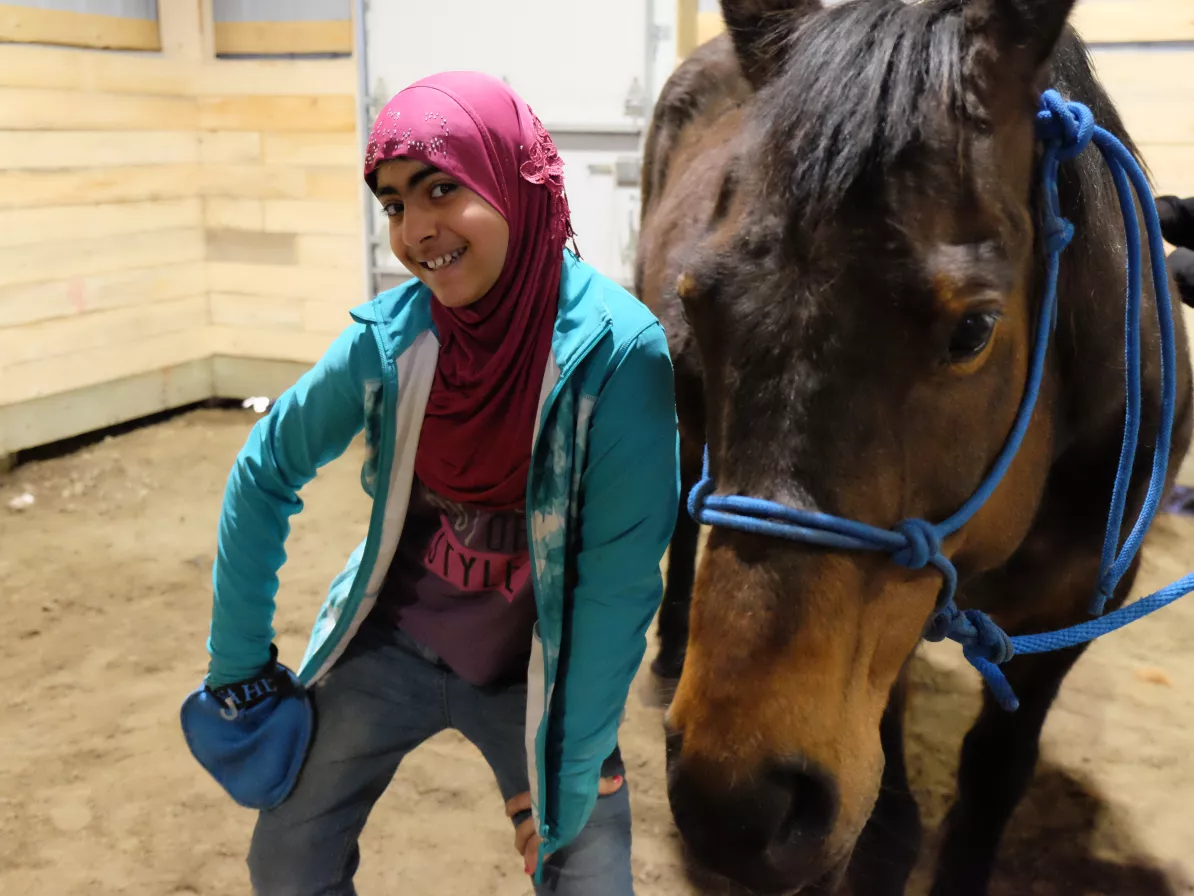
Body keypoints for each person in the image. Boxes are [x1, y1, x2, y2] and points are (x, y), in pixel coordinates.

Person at [179, 70, 680, 895]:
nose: (414, 232)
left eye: (441, 189)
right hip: (395, 643)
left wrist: (569, 762)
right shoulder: (393, 343)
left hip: (536, 664)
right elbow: (264, 470)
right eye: (393, 205)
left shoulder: (618, 358)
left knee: (587, 869)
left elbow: (617, 587)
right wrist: (238, 670)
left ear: (514, 182)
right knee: (287, 859)